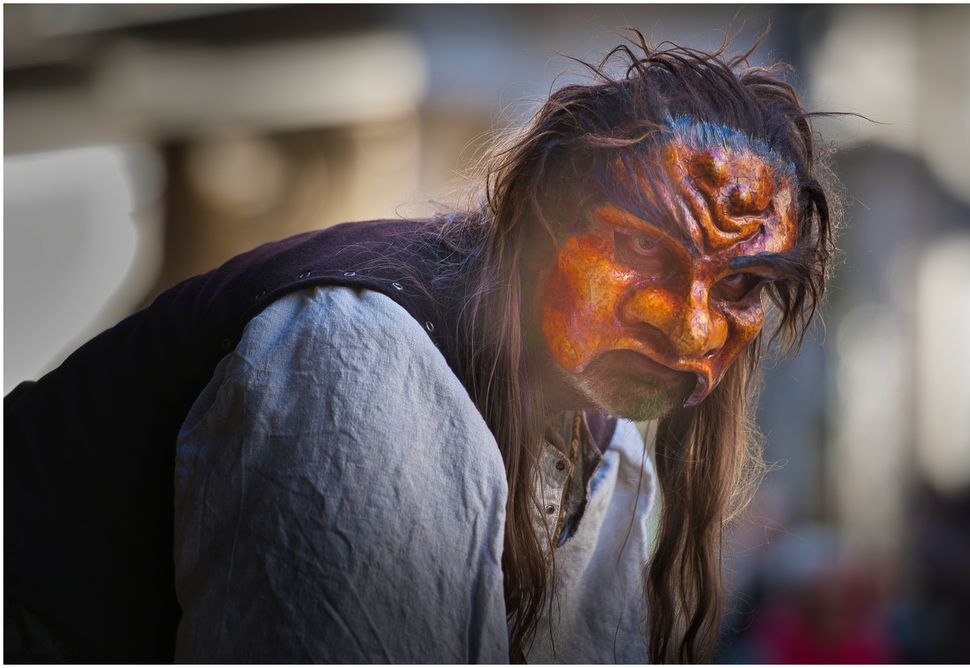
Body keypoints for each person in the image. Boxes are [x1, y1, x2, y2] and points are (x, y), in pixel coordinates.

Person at [4, 33, 836, 663]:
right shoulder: (356, 358)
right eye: (645, 250)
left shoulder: (602, 429)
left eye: (740, 290)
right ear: (541, 222)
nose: (690, 328)